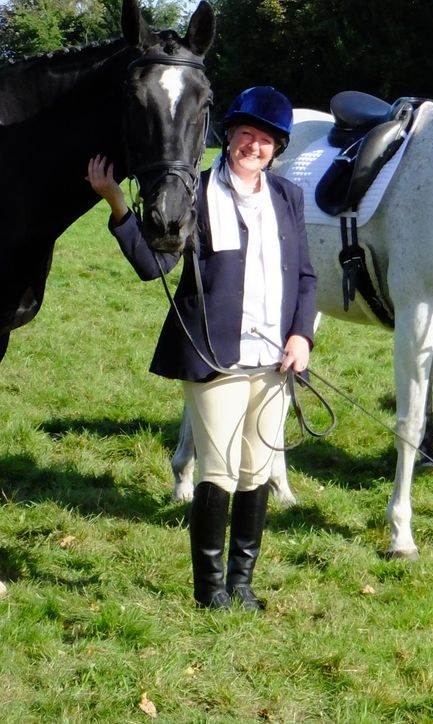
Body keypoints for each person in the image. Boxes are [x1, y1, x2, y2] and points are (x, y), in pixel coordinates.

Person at [86, 85, 317, 610]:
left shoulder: (287, 198)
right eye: (246, 135)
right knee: (218, 470)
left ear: (277, 149)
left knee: (257, 471)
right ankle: (209, 590)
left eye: (265, 140)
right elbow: (154, 266)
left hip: (275, 361)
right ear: (228, 135)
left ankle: (242, 583)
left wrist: (302, 334)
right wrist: (118, 205)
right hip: (215, 357)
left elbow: (305, 275)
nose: (253, 146)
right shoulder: (197, 194)